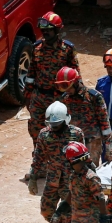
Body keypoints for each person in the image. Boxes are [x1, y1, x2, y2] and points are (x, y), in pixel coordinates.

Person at [28, 101, 84, 223]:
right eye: (51, 124)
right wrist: (32, 176)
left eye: (57, 124)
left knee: (66, 214)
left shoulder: (76, 133)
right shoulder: (44, 135)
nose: (54, 127)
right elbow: (38, 156)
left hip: (70, 181)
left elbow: (82, 157)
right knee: (46, 210)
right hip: (52, 179)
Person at [25, 12, 80, 146]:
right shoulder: (36, 48)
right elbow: (31, 74)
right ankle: (39, 154)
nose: (45, 33)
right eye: (43, 30)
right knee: (35, 128)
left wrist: (76, 96)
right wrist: (28, 96)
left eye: (49, 30)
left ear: (56, 30)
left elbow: (75, 75)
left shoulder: (67, 49)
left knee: (61, 129)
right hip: (39, 96)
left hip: (59, 97)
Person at [57, 67, 112, 165]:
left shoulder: (94, 97)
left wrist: (108, 147)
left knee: (90, 171)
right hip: (72, 141)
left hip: (92, 142)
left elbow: (104, 123)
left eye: (66, 85)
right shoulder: (64, 98)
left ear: (75, 82)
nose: (66, 90)